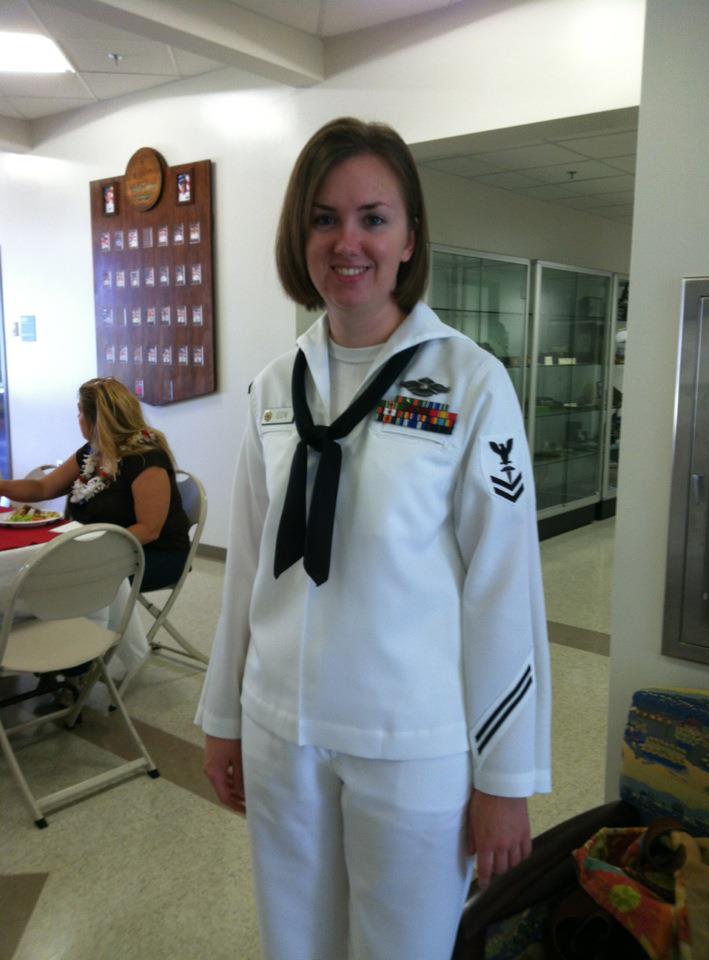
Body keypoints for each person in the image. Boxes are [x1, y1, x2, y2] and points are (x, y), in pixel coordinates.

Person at [197, 117, 551, 960]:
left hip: (412, 748)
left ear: (408, 238)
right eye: (323, 218)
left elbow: (504, 588)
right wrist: (221, 715)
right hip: (282, 732)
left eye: (372, 218)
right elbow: (247, 563)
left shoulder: (469, 382)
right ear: (300, 235)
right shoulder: (272, 386)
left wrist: (503, 779)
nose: (346, 241)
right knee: (296, 946)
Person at [0, 377, 190, 592]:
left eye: (80, 412)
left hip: (154, 554)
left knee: (57, 580)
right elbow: (43, 488)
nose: (78, 418)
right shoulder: (92, 452)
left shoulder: (146, 458)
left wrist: (91, 551)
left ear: (96, 419)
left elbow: (148, 530)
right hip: (96, 547)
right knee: (32, 571)